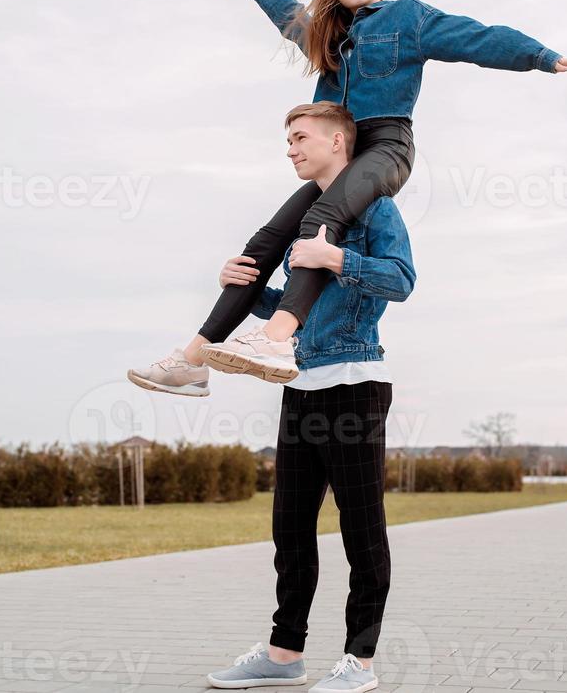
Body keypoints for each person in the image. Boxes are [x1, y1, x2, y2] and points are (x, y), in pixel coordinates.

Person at [128, 0, 567, 393]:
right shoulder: (329, 35)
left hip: (384, 146)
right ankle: (192, 360)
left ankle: (275, 339)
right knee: (266, 241)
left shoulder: (407, 17)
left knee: (321, 220)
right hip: (340, 154)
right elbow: (292, 19)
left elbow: (476, 37)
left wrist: (543, 58)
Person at [205, 102, 416, 693]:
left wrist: (337, 258)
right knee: (290, 527)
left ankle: (360, 661)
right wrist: (243, 290)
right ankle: (283, 654)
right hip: (298, 385)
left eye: (300, 138)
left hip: (355, 387)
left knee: (361, 530)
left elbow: (401, 278)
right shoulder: (305, 219)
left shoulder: (376, 207)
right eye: (288, 140)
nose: (291, 149)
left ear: (338, 144)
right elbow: (295, 309)